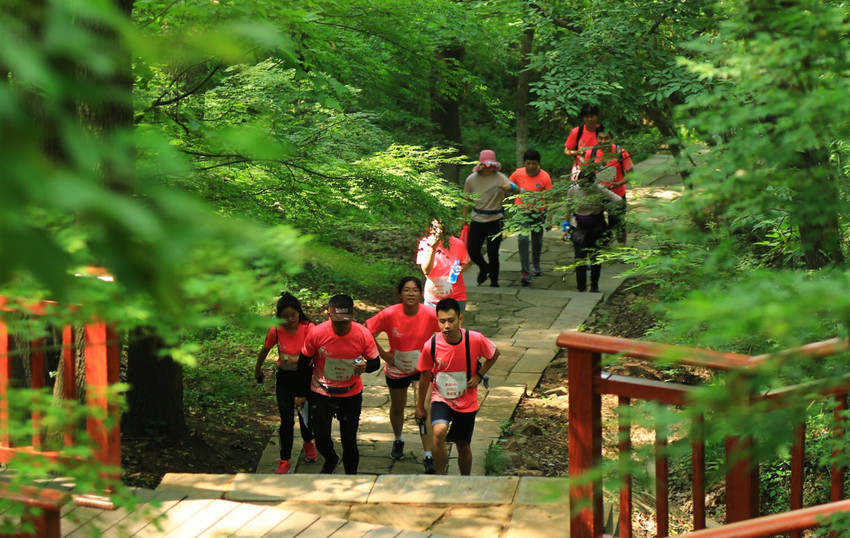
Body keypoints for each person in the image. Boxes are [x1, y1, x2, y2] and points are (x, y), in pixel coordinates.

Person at [295, 294, 380, 474]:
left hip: (350, 394)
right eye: (336, 321)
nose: (341, 326)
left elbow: (376, 363)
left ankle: (351, 478)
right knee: (321, 437)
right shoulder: (317, 333)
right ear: (328, 315)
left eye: (345, 321)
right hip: (321, 391)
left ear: (353, 315)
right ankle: (331, 457)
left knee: (349, 440)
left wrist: (365, 366)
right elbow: (303, 362)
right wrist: (301, 394)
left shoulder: (363, 334)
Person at [414, 298, 499, 475]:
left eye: (451, 320)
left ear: (460, 319)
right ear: (436, 320)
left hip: (466, 400)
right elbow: (424, 375)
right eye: (442, 321)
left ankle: (464, 481)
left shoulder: (474, 339)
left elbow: (494, 353)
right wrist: (419, 405)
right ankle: (440, 476)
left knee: (463, 446)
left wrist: (479, 375)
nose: (446, 326)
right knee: (438, 432)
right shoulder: (431, 345)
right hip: (441, 397)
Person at [366, 277, 440, 473]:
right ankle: (398, 440)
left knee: (424, 408)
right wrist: (383, 353)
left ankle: (428, 455)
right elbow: (367, 332)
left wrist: (434, 353)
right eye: (406, 290)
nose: (411, 293)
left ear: (421, 293)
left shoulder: (430, 314)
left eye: (415, 290)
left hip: (421, 368)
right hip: (397, 366)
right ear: (400, 294)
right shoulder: (389, 314)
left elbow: (445, 333)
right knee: (397, 407)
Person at [254, 292, 318, 474]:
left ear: (299, 313)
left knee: (305, 416)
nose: (290, 320)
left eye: (293, 315)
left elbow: (318, 351)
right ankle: (284, 459)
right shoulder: (276, 330)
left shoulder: (309, 328)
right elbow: (265, 348)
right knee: (286, 418)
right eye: (285, 317)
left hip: (305, 378)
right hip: (285, 378)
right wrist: (258, 368)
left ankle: (308, 443)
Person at [462, 149, 518, 288]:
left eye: (491, 166)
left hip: (495, 219)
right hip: (477, 220)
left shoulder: (500, 177)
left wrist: (508, 187)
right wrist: (463, 219)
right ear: (481, 165)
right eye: (486, 166)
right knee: (473, 250)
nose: (489, 169)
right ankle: (483, 267)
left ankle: (494, 281)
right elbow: (465, 200)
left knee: (493, 253)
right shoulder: (471, 179)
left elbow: (516, 189)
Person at [565, 169, 622, 292]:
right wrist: (565, 225)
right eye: (582, 184)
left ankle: (594, 285)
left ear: (592, 182)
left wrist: (605, 206)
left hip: (596, 227)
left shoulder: (598, 189)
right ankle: (581, 287)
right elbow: (568, 207)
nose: (584, 187)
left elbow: (618, 199)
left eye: (587, 184)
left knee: (595, 257)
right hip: (578, 227)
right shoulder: (573, 189)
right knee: (579, 257)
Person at [581, 128, 633, 244]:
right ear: (597, 138)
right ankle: (602, 247)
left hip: (617, 194)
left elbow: (630, 173)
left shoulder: (621, 153)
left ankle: (622, 250)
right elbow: (585, 172)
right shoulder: (591, 153)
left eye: (606, 138)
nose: (603, 141)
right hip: (597, 195)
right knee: (596, 223)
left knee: (618, 224)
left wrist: (618, 184)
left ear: (612, 139)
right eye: (600, 138)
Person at [509, 149, 553, 285]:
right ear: (525, 163)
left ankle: (536, 264)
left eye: (534, 164)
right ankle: (525, 272)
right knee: (522, 239)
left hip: (538, 212)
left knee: (537, 241)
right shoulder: (518, 173)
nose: (531, 166)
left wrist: (550, 217)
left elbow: (550, 198)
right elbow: (508, 186)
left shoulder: (545, 177)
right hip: (521, 210)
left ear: (538, 163)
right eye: (528, 163)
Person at [416, 219, 472, 312]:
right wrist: (432, 249)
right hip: (432, 299)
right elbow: (426, 271)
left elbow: (466, 264)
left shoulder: (458, 244)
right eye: (436, 228)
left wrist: (460, 269)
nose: (439, 231)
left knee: (455, 326)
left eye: (442, 228)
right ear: (429, 229)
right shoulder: (424, 243)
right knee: (431, 326)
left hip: (456, 297)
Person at [564, 103, 603, 181]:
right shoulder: (577, 131)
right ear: (583, 118)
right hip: (580, 166)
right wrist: (578, 152)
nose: (589, 119)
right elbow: (566, 151)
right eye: (586, 117)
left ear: (597, 116)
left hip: (600, 165)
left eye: (592, 116)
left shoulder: (603, 131)